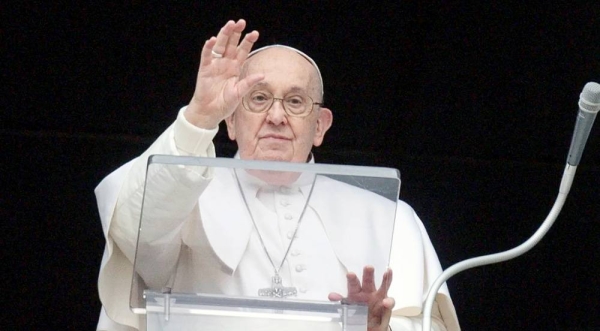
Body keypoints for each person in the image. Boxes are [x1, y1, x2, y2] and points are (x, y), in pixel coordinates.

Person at [94, 19, 460, 331]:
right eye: (258, 99)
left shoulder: (389, 219)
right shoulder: (181, 195)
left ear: (320, 126)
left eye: (296, 101)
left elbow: (425, 321)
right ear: (231, 121)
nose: (276, 116)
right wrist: (199, 117)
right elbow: (132, 228)